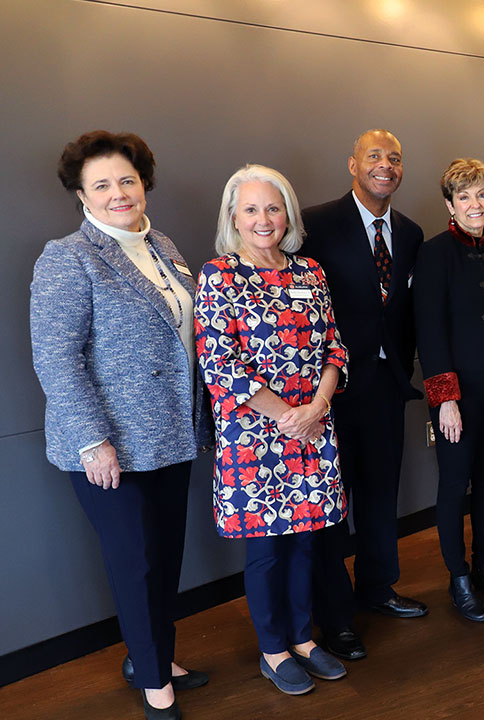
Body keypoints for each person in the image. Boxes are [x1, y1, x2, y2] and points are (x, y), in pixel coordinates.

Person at [31, 130, 212, 720]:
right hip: (109, 447)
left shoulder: (161, 244)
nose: (118, 193)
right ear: (81, 195)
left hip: (171, 435)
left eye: (127, 180)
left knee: (165, 556)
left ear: (144, 183)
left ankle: (151, 656)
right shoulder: (68, 257)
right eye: (102, 184)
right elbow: (57, 358)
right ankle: (154, 683)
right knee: (134, 563)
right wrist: (93, 440)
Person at [195, 165, 350, 696]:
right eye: (252, 209)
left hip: (313, 426)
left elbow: (334, 347)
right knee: (266, 551)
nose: (265, 219)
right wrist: (288, 413)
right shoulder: (219, 275)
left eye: (274, 207)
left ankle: (304, 640)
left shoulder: (310, 273)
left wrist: (317, 405)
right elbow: (220, 365)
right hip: (254, 439)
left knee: (306, 545)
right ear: (234, 218)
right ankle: (273, 649)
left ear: (289, 214)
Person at [300, 129, 426, 661]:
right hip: (327, 389)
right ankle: (336, 614)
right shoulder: (316, 223)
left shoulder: (411, 232)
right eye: (374, 156)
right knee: (331, 505)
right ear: (352, 163)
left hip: (386, 383)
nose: (385, 166)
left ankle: (378, 587)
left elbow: (404, 309)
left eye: (394, 158)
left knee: (379, 493)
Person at [413, 158, 484, 622]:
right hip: (458, 397)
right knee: (454, 484)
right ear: (450, 204)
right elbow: (429, 328)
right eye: (465, 197)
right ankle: (458, 577)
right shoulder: (435, 253)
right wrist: (445, 399)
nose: (476, 204)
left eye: (481, 194)